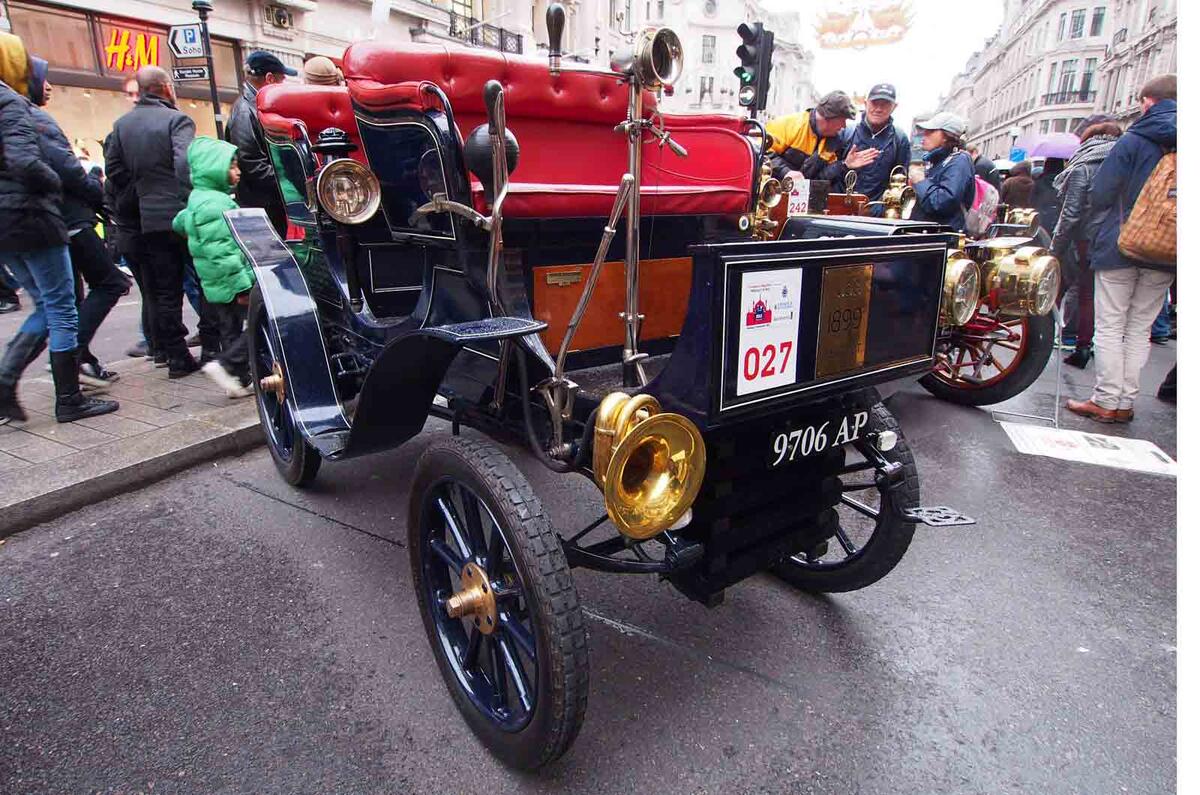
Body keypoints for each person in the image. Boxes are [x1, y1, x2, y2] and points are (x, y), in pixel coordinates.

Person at [0, 32, 117, 424]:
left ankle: (5, 382)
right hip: (31, 217)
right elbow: (34, 164)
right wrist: (55, 184)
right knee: (62, 307)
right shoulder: (16, 106)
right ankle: (68, 398)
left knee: (46, 305)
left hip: (7, 224)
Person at [1067, 74, 1176, 423]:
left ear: (1148, 101)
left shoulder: (1136, 138)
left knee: (1111, 323)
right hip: (1167, 247)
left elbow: (1101, 193)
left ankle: (1106, 398)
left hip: (1120, 243)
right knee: (1140, 326)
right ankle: (1126, 401)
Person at [30, 79, 129, 386]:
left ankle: (77, 360)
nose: (48, 86)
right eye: (41, 78)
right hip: (68, 217)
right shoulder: (32, 118)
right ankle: (71, 357)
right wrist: (95, 194)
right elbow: (68, 170)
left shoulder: (24, 116)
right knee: (109, 283)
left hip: (56, 219)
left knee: (66, 299)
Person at [105, 64, 201, 378]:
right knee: (203, 281)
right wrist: (185, 198)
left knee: (164, 290)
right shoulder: (176, 120)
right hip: (177, 213)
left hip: (147, 218)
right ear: (164, 87)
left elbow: (115, 172)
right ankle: (213, 345)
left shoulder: (122, 125)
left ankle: (173, 354)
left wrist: (141, 193)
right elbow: (184, 163)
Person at [173, 137, 256, 398]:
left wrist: (191, 233)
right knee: (255, 324)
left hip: (213, 283)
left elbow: (179, 222)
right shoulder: (217, 204)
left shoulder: (198, 199)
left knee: (230, 330)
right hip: (230, 281)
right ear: (214, 169)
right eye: (232, 166)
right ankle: (227, 365)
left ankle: (237, 380)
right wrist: (243, 284)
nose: (238, 171)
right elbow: (224, 250)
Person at [1050, 121, 1122, 370]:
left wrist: (1055, 248)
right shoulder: (1124, 162)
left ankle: (1060, 339)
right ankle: (1083, 345)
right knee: (1096, 296)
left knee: (1072, 289)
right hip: (1117, 236)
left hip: (1086, 237)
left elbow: (1070, 213)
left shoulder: (1085, 165)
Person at [226, 51, 296, 237]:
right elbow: (252, 163)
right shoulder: (244, 111)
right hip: (262, 207)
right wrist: (290, 182)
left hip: (268, 204)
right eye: (281, 80)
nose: (283, 85)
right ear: (270, 78)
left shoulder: (256, 107)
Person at [764, 91, 878, 183]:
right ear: (829, 118)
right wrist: (785, 172)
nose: (844, 126)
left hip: (799, 201)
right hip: (770, 194)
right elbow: (761, 152)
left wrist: (844, 165)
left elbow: (820, 178)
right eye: (842, 120)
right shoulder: (788, 124)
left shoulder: (834, 142)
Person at [843, 83, 911, 206]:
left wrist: (876, 209)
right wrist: (845, 165)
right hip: (841, 210)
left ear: (894, 107)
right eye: (875, 103)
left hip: (877, 217)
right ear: (865, 103)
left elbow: (899, 183)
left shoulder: (900, 139)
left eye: (885, 104)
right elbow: (827, 175)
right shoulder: (846, 133)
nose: (879, 109)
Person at [909, 112, 974, 233]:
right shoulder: (938, 160)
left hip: (942, 238)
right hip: (931, 234)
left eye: (931, 131)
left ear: (946, 136)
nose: (924, 134)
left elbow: (943, 202)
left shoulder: (959, 160)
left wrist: (921, 181)